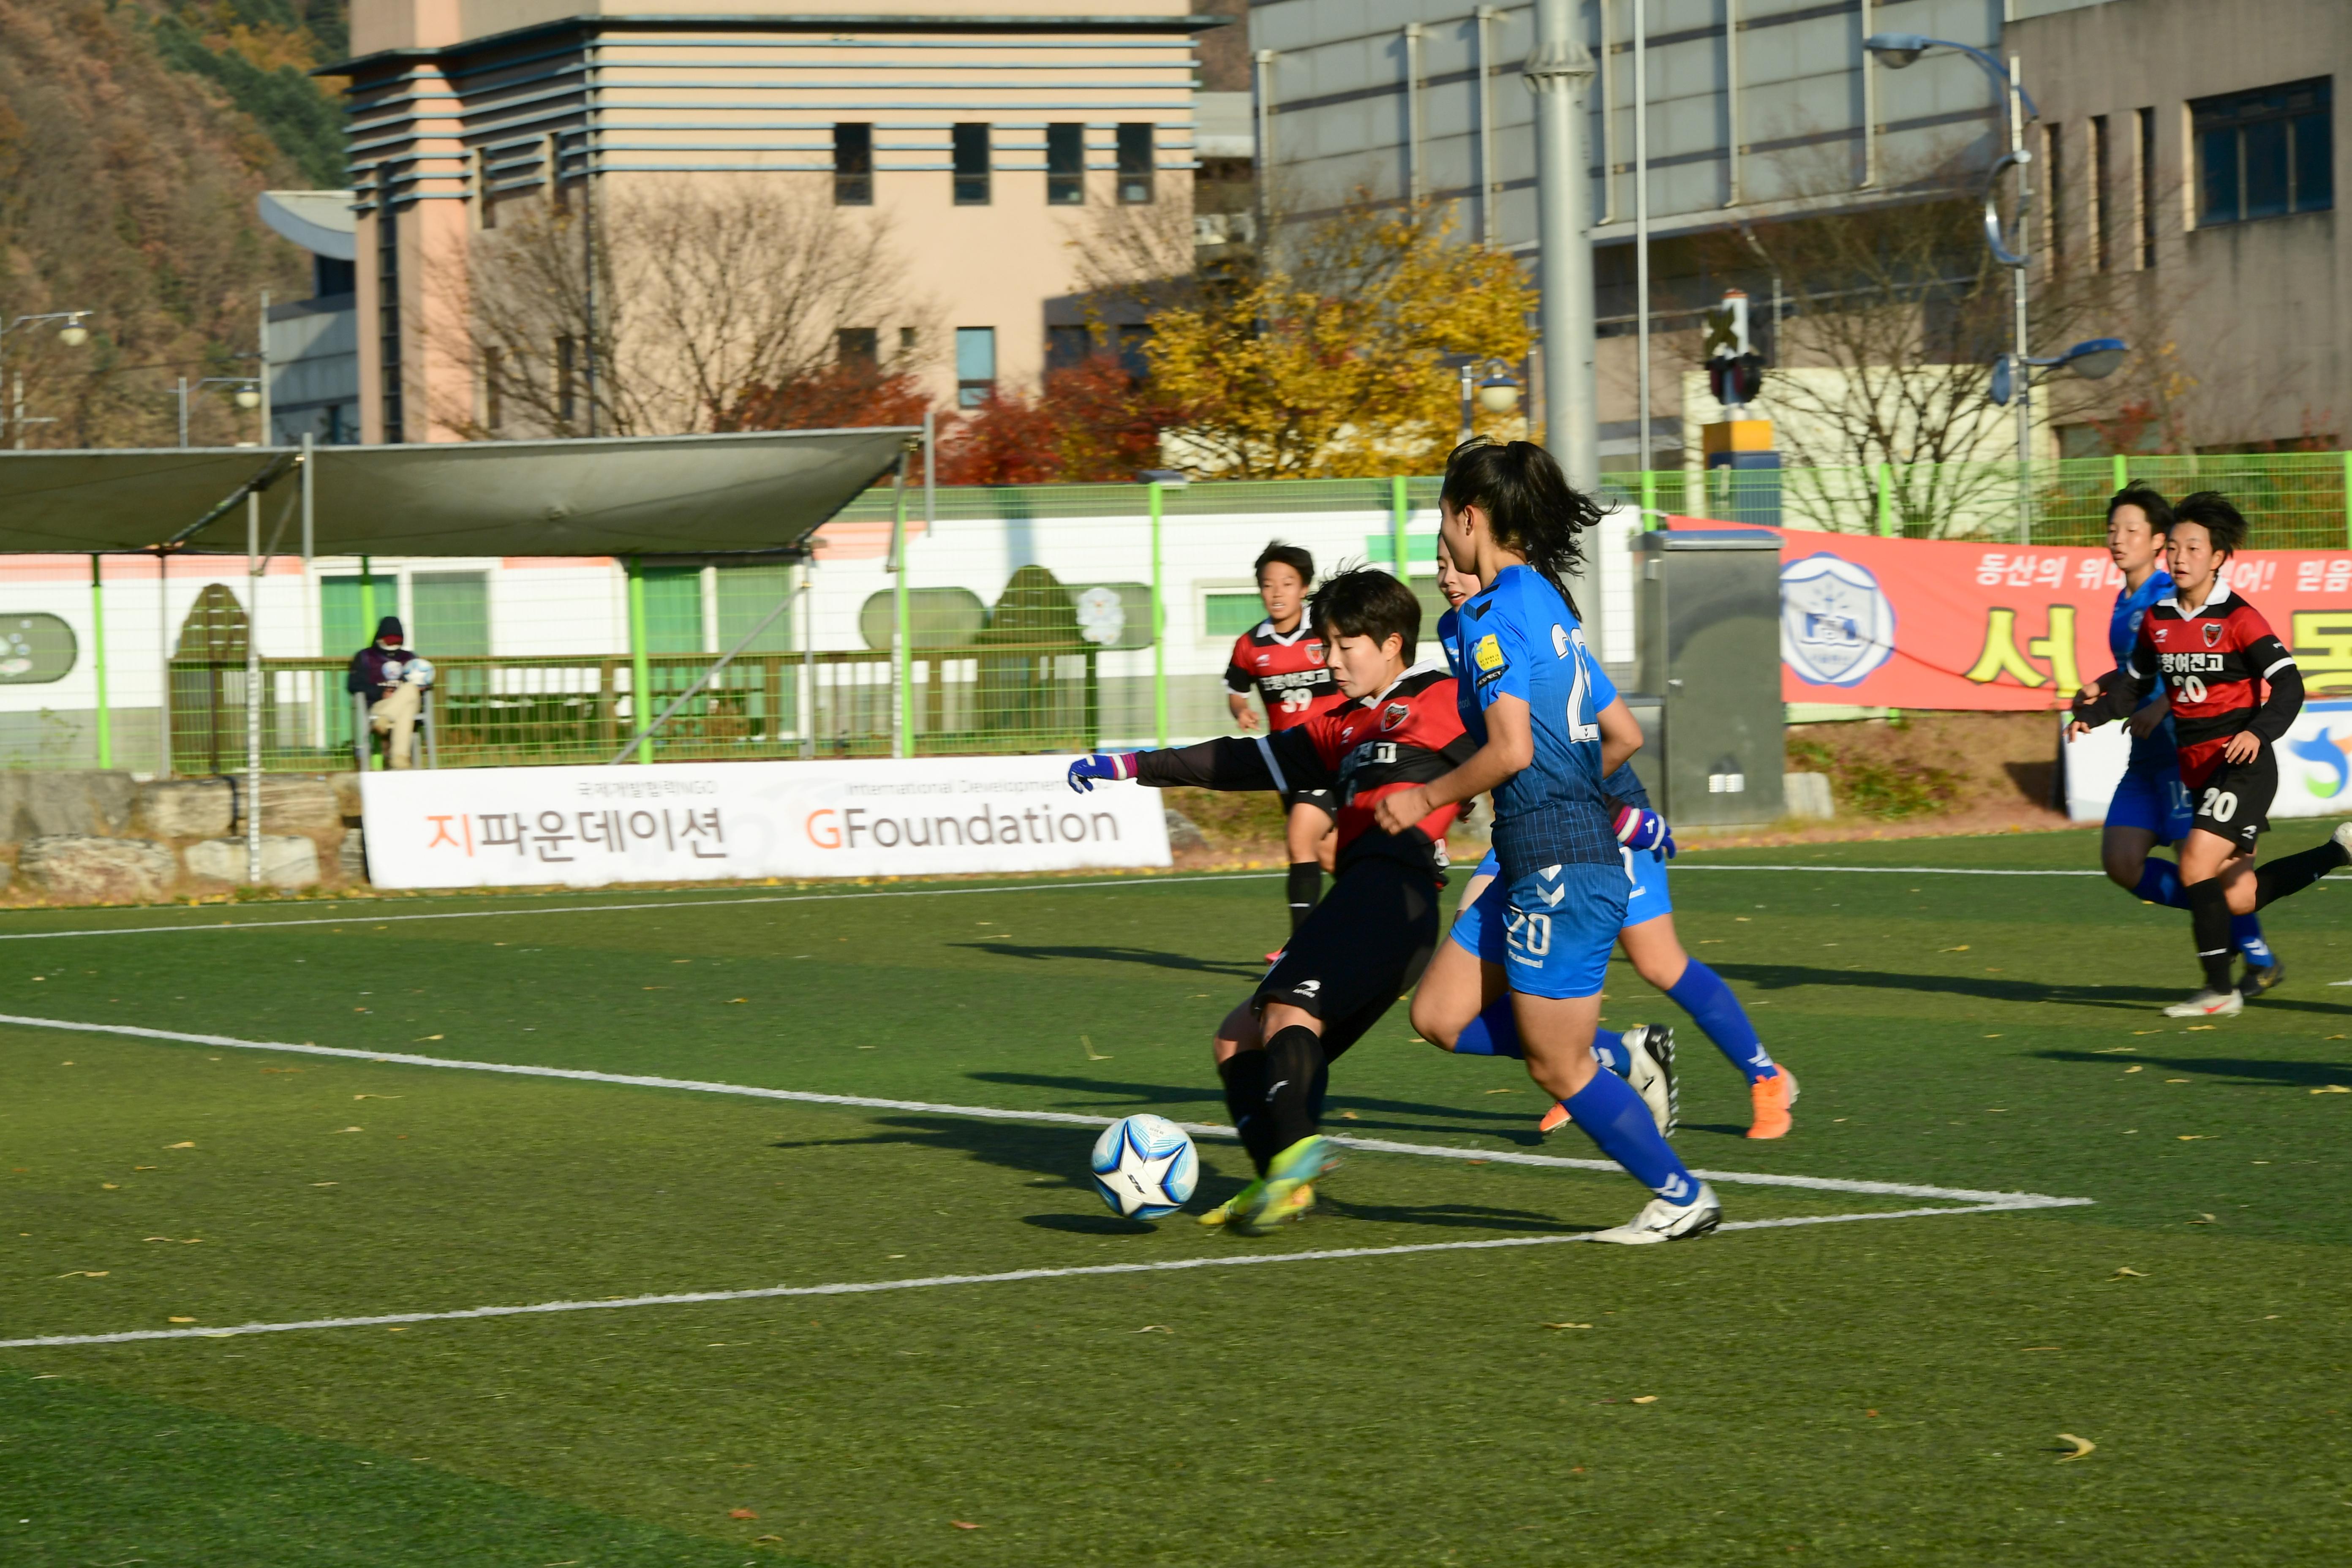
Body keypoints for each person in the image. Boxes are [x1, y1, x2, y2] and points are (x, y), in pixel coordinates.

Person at [1375, 439, 1720, 1244]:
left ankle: (1679, 1195)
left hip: (1559, 863)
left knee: (1554, 1066)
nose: (1442, 542)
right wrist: (1557, 797)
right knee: (1438, 1012)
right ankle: (1624, 1057)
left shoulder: (1490, 617)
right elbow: (1623, 732)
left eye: (1442, 521)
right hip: (1540, 851)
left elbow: (1511, 751)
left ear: (1468, 519)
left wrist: (1424, 797)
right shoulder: (1543, 602)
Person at [1071, 567, 1473, 1233]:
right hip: (1371, 902)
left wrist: (1612, 810)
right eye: (1327, 646)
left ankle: (1294, 1163)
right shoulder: (1342, 726)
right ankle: (1279, 1180)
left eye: (1347, 646)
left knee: (1288, 1008)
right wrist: (1134, 766)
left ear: (1394, 642)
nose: (1331, 661)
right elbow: (1236, 761)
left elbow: (1527, 752)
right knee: (1236, 1039)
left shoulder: (1446, 697)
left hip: (1395, 891)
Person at [1414, 531, 1799, 1140]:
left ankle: (1764, 1077)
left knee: (1658, 962)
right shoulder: (1460, 628)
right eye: (1437, 567)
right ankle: (1596, 1063)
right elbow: (1497, 732)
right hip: (1531, 821)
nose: (1447, 576)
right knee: (1474, 964)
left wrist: (1615, 811)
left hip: (1597, 804)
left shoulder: (1527, 614)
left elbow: (1589, 731)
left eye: (1452, 562)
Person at [2072, 491, 2352, 1016]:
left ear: (2218, 557)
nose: (2180, 557)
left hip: (2242, 766)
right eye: (2175, 547)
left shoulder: (2239, 617)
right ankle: (2337, 851)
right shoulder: (2157, 617)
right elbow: (2134, 683)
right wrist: (2093, 713)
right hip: (2196, 767)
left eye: (2193, 548)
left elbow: (2289, 685)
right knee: (2238, 895)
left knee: (2195, 863)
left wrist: (2260, 732)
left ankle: (2219, 990)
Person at [1223, 542, 1348, 943]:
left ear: (1304, 588)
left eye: (1287, 584)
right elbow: (1236, 689)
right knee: (1327, 854)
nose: (1276, 593)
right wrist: (1240, 710)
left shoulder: (1326, 632)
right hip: (1286, 761)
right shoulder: (1250, 645)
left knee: (1299, 839)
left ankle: (1301, 947)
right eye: (1267, 585)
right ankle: (1383, 913)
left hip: (1330, 756)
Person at [347, 615, 429, 770]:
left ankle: (385, 719)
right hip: (379, 705)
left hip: (392, 710)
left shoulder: (410, 658)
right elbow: (354, 684)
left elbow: (425, 684)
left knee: (410, 690)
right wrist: (380, 692)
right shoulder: (365, 657)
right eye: (390, 641)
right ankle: (400, 759)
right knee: (407, 708)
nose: (394, 645)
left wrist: (424, 687)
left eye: (397, 641)